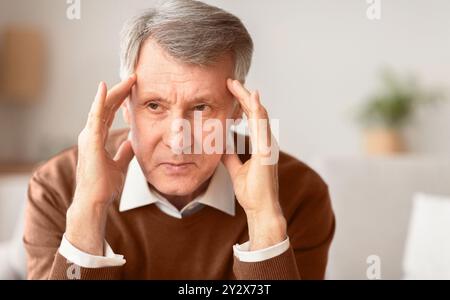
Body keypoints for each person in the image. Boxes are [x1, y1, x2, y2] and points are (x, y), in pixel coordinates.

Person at [24, 0, 335, 280]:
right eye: (154, 106)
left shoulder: (301, 193)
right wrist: (89, 211)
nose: (178, 140)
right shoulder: (56, 187)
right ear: (125, 107)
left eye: (201, 108)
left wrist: (264, 220)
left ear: (238, 109)